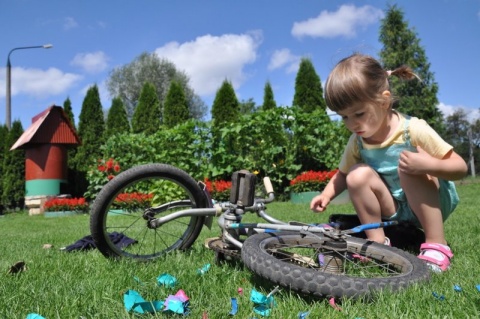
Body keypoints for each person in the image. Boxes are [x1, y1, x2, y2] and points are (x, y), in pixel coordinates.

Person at [310, 53, 468, 272]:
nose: (352, 123)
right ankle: (377, 244)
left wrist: (427, 165)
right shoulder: (358, 141)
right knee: (357, 174)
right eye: (344, 117)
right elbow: (344, 174)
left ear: (384, 101)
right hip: (391, 207)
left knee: (408, 166)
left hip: (429, 203)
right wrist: (326, 195)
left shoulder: (413, 129)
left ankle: (437, 245)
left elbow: (459, 167)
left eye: (359, 113)